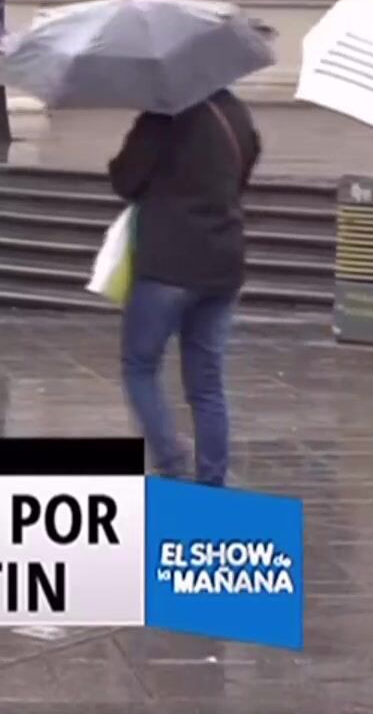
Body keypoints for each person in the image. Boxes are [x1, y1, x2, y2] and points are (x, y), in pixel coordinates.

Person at [108, 86, 261, 483]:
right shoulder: (236, 114)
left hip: (168, 265)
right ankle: (212, 479)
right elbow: (242, 174)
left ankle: (171, 461)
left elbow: (125, 179)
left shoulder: (162, 116)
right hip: (223, 262)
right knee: (206, 382)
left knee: (139, 366)